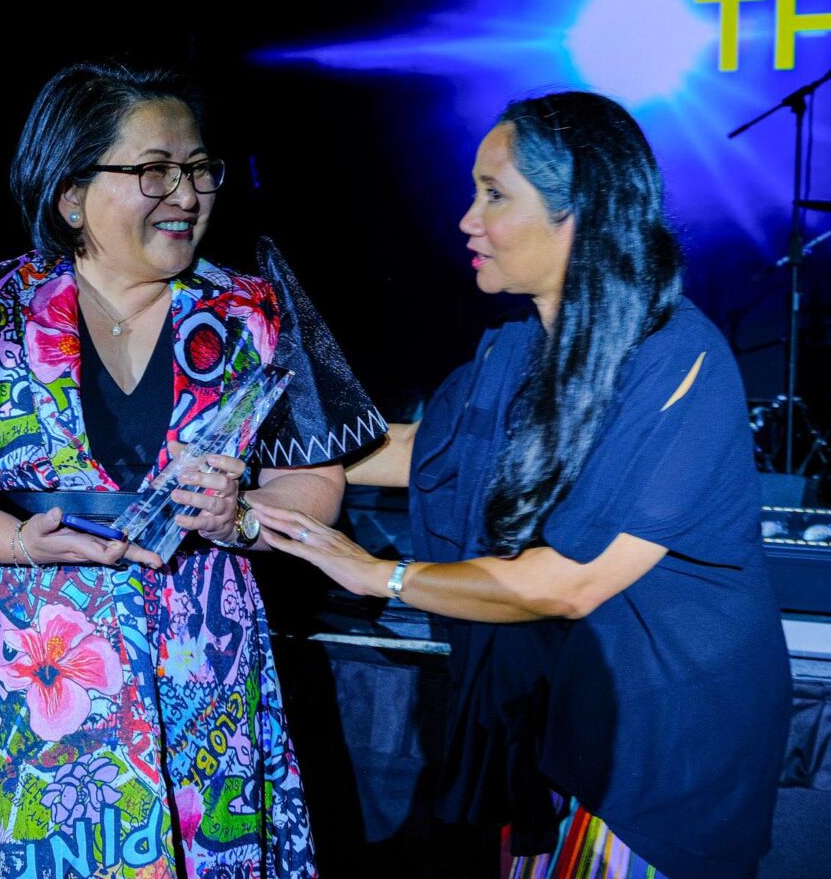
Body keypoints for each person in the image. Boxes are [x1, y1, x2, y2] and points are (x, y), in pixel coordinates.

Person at [0, 61, 385, 878]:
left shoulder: (250, 311)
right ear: (72, 196)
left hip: (205, 661)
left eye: (199, 170)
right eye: (155, 171)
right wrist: (21, 544)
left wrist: (242, 517)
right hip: (42, 670)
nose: (188, 195)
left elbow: (314, 481)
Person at [253, 92, 792, 878]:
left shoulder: (677, 357)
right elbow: (418, 449)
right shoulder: (518, 347)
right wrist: (244, 459)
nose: (468, 220)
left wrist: (378, 574)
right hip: (556, 721)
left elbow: (570, 582)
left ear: (582, 210)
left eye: (495, 195)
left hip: (661, 740)